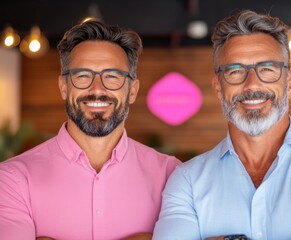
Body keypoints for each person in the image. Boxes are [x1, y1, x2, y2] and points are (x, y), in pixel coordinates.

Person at [153, 9, 291, 240]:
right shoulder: (187, 181)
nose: (252, 84)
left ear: (289, 83)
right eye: (235, 71)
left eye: (267, 69)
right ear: (218, 87)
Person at [0, 20, 181, 239]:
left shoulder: (172, 175)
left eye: (112, 77)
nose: (97, 90)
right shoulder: (11, 179)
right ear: (64, 87)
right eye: (83, 76)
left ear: (132, 91)